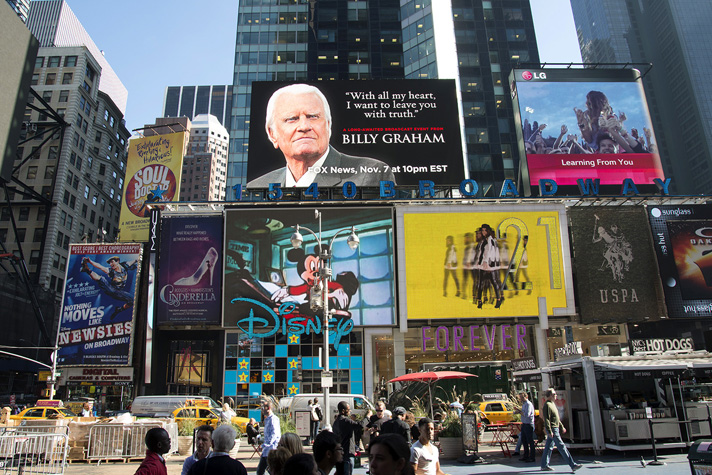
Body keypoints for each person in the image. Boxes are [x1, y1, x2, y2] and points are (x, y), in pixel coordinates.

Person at [247, 84, 396, 188]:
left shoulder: (372, 173)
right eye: (292, 119)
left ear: (328, 125)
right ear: (272, 134)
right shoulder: (257, 187)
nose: (304, 127)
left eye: (313, 116)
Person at [81, 255, 138, 320]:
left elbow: (134, 260)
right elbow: (100, 267)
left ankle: (119, 310)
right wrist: (90, 262)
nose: (111, 264)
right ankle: (87, 269)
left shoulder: (125, 265)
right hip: (111, 289)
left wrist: (138, 259)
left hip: (120, 292)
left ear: (117, 261)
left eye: (112, 262)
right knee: (101, 279)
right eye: (110, 263)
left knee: (132, 300)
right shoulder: (111, 271)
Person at [540, 388, 582, 472]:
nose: (556, 396)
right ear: (550, 395)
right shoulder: (547, 405)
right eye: (554, 394)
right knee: (561, 446)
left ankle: (544, 465)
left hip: (555, 428)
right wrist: (549, 430)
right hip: (552, 428)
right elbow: (547, 419)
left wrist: (561, 426)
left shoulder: (552, 404)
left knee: (548, 447)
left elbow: (556, 417)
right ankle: (572, 465)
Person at [333, 401, 371, 475]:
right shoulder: (346, 421)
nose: (350, 411)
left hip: (340, 454)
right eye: (348, 409)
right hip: (347, 453)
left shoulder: (336, 422)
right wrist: (368, 417)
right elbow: (360, 425)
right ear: (343, 410)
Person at [475, 224, 503, 309]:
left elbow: (490, 252)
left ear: (488, 231)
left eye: (485, 230)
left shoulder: (490, 240)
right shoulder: (485, 240)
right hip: (483, 264)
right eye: (482, 230)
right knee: (481, 283)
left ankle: (498, 299)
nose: (483, 232)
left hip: (488, 264)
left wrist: (486, 262)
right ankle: (479, 301)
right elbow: (482, 252)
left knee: (492, 282)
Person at [257, 400, 281, 475]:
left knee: (271, 471)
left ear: (269, 408)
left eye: (264, 407)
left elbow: (274, 434)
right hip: (266, 451)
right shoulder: (267, 419)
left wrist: (265, 445)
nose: (262, 409)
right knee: (260, 470)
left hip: (272, 450)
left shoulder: (273, 419)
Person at [518, 392, 536, 463]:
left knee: (530, 441)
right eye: (520, 397)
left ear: (526, 397)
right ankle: (526, 455)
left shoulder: (528, 404)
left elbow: (527, 414)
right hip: (524, 424)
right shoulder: (524, 404)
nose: (521, 399)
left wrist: (520, 412)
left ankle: (532, 456)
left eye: (522, 397)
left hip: (529, 424)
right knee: (524, 440)